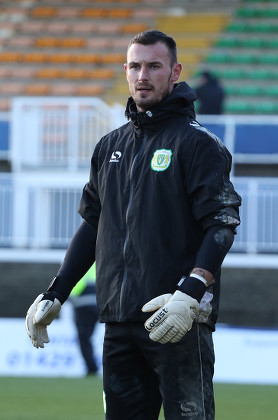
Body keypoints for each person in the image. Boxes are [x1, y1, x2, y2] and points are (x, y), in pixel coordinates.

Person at [25, 30, 241, 419]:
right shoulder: (108, 146)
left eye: (154, 66)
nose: (143, 75)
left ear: (175, 72)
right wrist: (56, 291)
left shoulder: (198, 144)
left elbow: (222, 222)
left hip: (175, 317)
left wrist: (190, 293)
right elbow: (92, 225)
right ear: (125, 70)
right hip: (118, 321)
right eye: (136, 66)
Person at [70, 263, 99, 375]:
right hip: (98, 306)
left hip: (82, 307)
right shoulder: (100, 261)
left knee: (84, 339)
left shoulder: (78, 262)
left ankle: (92, 368)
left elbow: (74, 287)